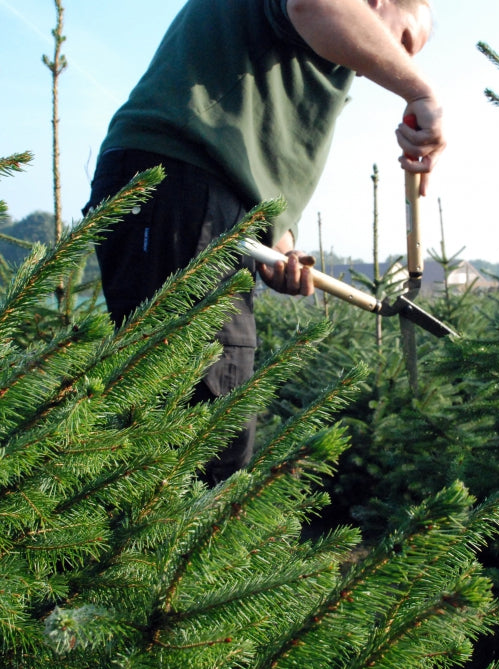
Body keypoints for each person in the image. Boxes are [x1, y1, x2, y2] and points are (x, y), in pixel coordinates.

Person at [83, 0, 445, 484]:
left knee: (193, 425)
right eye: (405, 42)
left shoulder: (306, 56)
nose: (402, 59)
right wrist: (420, 91)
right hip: (178, 180)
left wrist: (281, 246)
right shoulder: (325, 15)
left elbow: (260, 162)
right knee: (205, 437)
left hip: (197, 196)